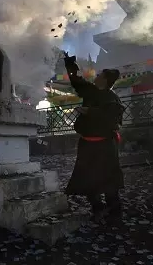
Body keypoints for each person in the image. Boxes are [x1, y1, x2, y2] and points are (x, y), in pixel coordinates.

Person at [62, 51, 125, 221]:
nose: (96, 77)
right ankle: (97, 208)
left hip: (104, 146)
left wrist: (90, 111)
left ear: (105, 80)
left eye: (99, 75)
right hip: (87, 145)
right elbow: (76, 80)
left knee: (109, 181)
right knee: (87, 180)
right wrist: (69, 63)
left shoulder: (113, 99)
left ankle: (114, 213)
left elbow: (113, 118)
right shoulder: (90, 91)